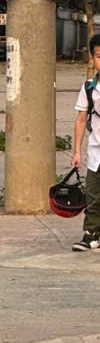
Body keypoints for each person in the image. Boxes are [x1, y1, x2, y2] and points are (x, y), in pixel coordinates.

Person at [70, 35, 100, 251]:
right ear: (92, 58)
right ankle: (91, 235)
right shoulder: (89, 88)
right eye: (99, 56)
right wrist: (77, 152)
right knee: (93, 196)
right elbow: (81, 120)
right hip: (96, 153)